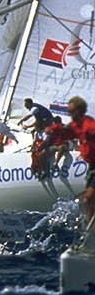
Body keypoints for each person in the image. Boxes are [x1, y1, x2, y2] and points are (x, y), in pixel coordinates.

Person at [49, 95, 95, 223]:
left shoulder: (89, 125)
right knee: (87, 199)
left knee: (88, 198)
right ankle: (89, 227)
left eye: (71, 112)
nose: (69, 114)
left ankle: (90, 227)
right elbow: (67, 132)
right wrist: (52, 129)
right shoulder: (76, 125)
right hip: (92, 167)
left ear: (79, 111)